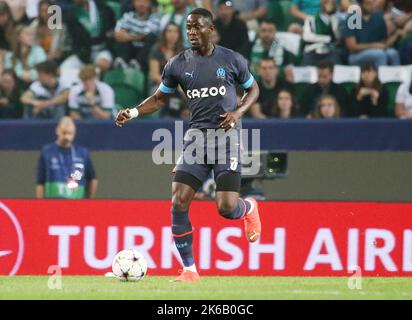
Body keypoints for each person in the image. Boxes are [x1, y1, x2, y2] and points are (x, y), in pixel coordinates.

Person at [115, 8, 261, 282]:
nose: (192, 32)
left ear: (210, 29)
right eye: (189, 27)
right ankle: (190, 270)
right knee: (178, 201)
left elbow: (253, 89)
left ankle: (249, 209)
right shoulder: (177, 64)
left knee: (226, 208)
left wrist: (238, 112)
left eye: (197, 27)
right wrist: (133, 112)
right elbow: (159, 99)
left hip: (227, 140)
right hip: (196, 139)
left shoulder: (231, 59)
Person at [36, 116, 98, 199]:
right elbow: (40, 182)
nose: (66, 136)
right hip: (52, 204)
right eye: (64, 133)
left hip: (77, 204)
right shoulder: (47, 152)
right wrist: (40, 205)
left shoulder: (82, 153)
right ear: (57, 130)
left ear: (74, 133)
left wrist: (89, 201)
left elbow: (92, 179)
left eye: (70, 133)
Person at [341, 0, 401, 67]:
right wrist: (374, 46)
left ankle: (396, 76)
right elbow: (351, 46)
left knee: (393, 53)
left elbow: (383, 42)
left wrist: (396, 35)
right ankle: (380, 77)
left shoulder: (378, 17)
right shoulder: (352, 19)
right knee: (380, 55)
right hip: (356, 55)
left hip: (377, 50)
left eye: (373, 3)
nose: (372, 6)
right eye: (368, 4)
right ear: (361, 4)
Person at [148, 22, 187, 118]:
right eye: (169, 31)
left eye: (175, 31)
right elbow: (154, 75)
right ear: (164, 34)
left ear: (179, 35)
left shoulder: (184, 52)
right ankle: (167, 118)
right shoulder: (156, 50)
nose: (172, 34)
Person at [113, 0, 160, 72]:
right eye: (139, 1)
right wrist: (134, 36)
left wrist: (127, 35)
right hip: (130, 48)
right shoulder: (128, 15)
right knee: (116, 39)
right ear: (133, 3)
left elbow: (145, 35)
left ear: (150, 4)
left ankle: (137, 64)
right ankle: (122, 61)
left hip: (144, 52)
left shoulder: (155, 18)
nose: (142, 4)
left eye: (145, 1)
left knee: (151, 37)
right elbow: (117, 32)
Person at [301, 0, 342, 65]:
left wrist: (333, 18)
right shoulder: (311, 18)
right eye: (326, 2)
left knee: (336, 60)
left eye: (331, 3)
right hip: (312, 51)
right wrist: (327, 39)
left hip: (329, 52)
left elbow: (337, 38)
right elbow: (306, 37)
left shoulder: (336, 19)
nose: (329, 5)